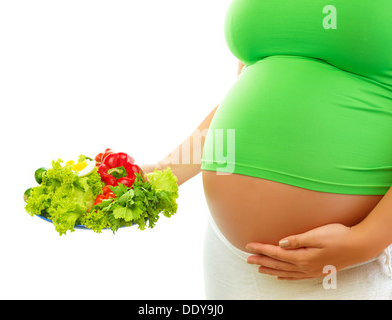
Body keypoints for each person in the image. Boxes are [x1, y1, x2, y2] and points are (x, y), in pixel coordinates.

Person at [142, 0, 392, 299]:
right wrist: (164, 173)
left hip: (342, 264)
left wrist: (365, 241)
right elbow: (253, 92)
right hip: (231, 258)